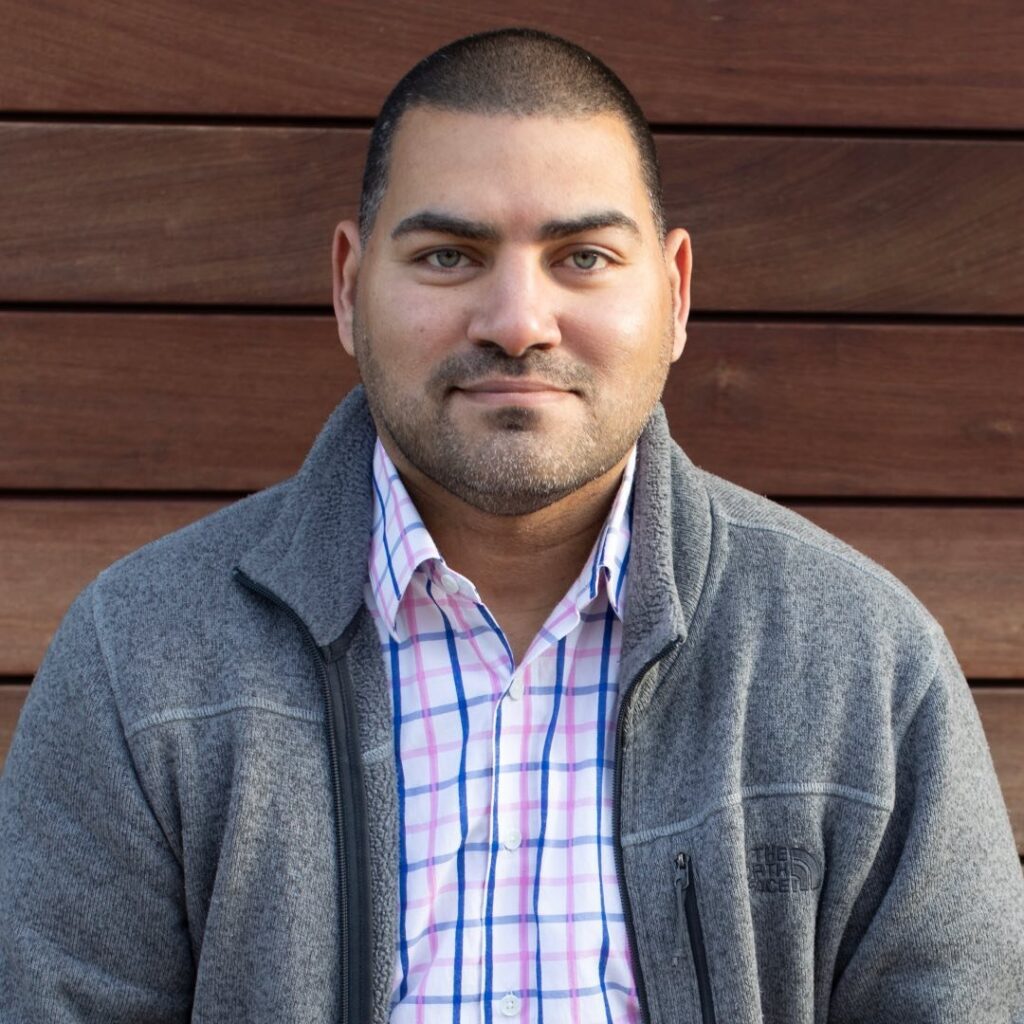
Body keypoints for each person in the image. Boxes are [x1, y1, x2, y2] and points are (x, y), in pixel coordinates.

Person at [1, 26, 1022, 1024]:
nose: (518, 322)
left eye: (583, 257)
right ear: (350, 287)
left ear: (674, 295)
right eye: (449, 256)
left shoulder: (860, 662)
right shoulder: (141, 657)